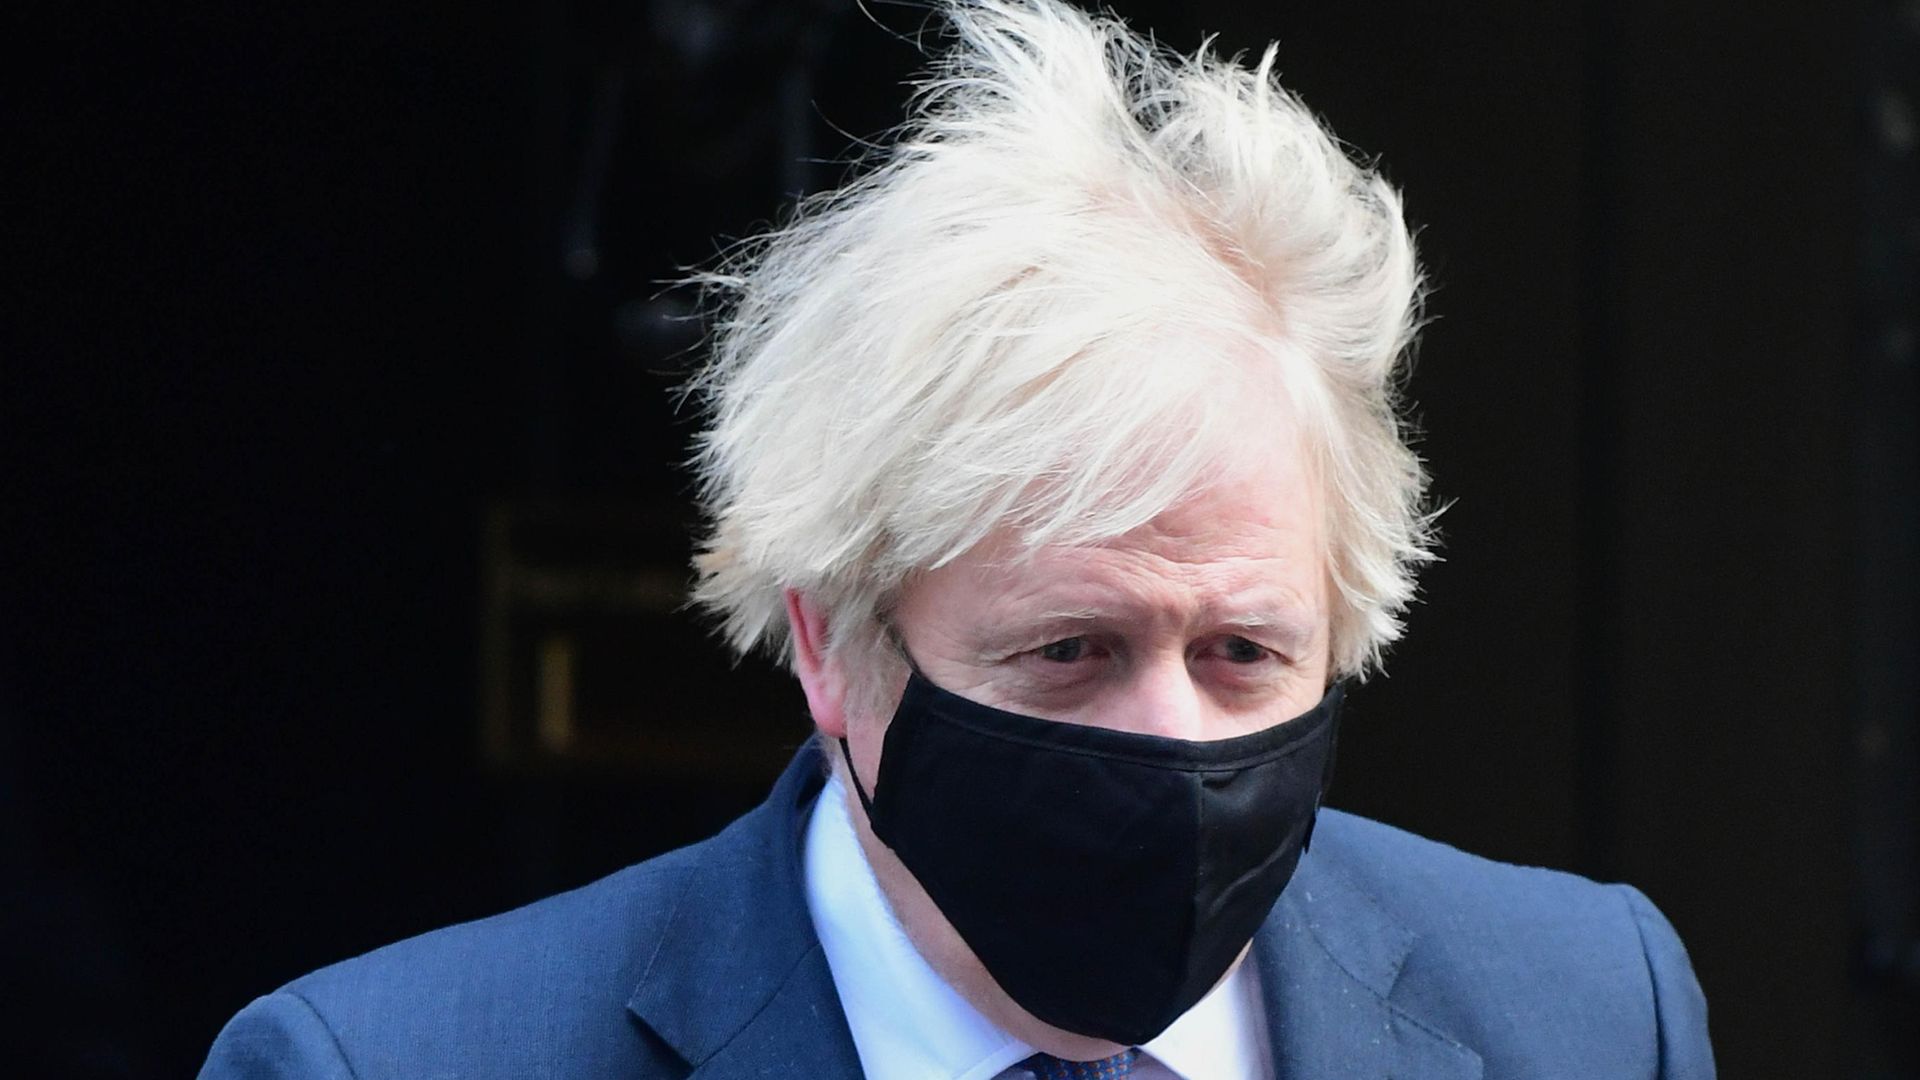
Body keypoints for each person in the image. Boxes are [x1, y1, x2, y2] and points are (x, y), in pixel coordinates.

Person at [200, 1, 1714, 1076]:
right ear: (828, 644)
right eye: (1071, 649)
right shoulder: (387, 1060)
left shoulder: (1584, 1014)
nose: (1170, 739)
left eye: (1246, 652)